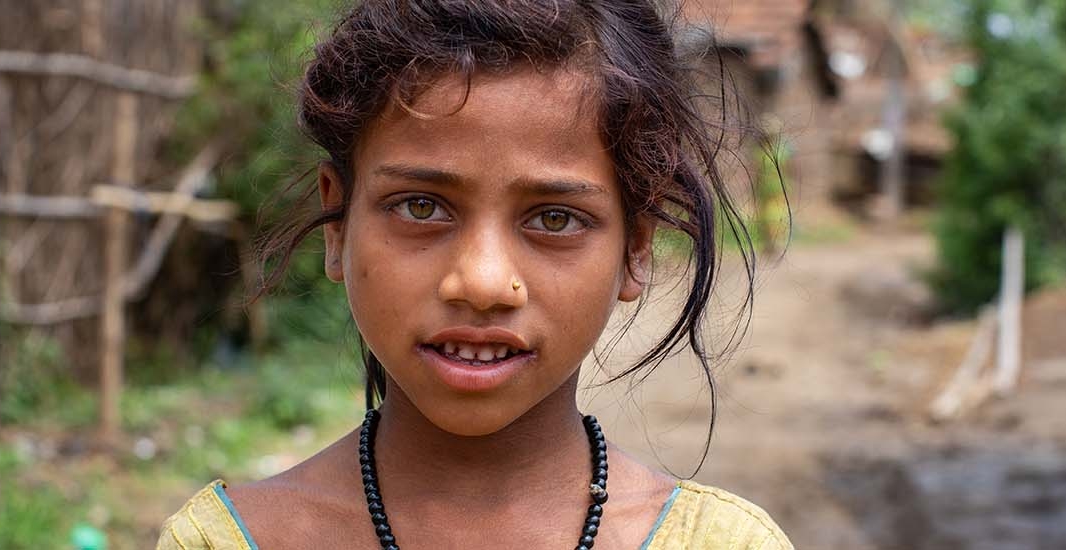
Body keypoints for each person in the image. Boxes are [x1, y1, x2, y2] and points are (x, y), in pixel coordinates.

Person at [157, 0, 791, 548]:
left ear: (636, 248)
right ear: (337, 223)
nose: (483, 283)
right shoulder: (228, 541)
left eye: (555, 219)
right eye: (421, 207)